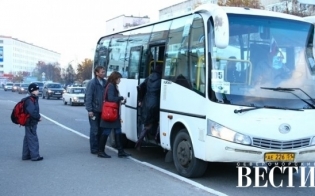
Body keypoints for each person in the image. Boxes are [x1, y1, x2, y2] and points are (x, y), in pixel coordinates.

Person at [99, 71, 131, 158]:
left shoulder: (110, 85)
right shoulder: (111, 86)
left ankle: (120, 151)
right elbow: (111, 98)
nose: (120, 80)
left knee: (118, 131)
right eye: (119, 79)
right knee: (107, 131)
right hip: (111, 113)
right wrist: (121, 98)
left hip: (113, 113)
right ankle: (101, 151)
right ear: (115, 78)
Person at [135, 63, 162, 149]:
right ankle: (156, 138)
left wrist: (140, 100)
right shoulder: (161, 80)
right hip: (156, 103)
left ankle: (139, 141)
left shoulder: (149, 78)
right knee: (159, 121)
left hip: (147, 102)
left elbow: (139, 87)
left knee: (147, 125)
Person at [85, 66, 106, 155]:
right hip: (94, 110)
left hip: (103, 111)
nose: (103, 73)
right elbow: (88, 97)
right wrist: (89, 110)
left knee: (101, 130)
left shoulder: (105, 82)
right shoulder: (92, 83)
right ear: (96, 73)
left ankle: (99, 148)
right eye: (101, 72)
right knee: (94, 130)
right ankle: (94, 149)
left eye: (104, 72)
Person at [22, 83, 43, 161]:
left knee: (28, 137)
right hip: (30, 122)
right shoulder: (30, 100)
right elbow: (32, 111)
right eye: (36, 90)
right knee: (32, 138)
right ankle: (35, 156)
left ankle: (26, 155)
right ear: (32, 91)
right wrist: (38, 117)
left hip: (30, 121)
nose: (38, 91)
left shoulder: (33, 99)